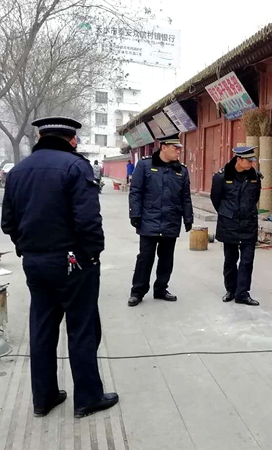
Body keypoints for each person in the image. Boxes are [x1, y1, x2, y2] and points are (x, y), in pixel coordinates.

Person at [1, 117, 118, 418]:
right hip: (73, 262)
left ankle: (44, 398)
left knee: (41, 328)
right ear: (72, 140)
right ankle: (87, 398)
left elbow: (8, 223)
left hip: (35, 262)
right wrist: (92, 254)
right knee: (82, 328)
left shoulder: (18, 171)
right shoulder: (76, 167)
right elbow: (88, 221)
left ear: (40, 137)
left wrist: (27, 247)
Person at [128, 134, 193, 307]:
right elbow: (135, 191)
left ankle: (161, 289)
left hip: (171, 220)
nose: (178, 151)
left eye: (179, 148)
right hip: (149, 219)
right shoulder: (144, 165)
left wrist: (188, 218)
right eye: (175, 148)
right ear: (163, 147)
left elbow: (185, 197)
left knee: (166, 258)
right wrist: (135, 214)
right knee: (145, 257)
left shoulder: (181, 170)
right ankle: (137, 291)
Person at [211, 146, 262, 306]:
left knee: (247, 260)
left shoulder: (255, 177)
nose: (252, 163)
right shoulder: (221, 177)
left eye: (253, 161)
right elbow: (216, 199)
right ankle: (231, 290)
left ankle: (242, 294)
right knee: (230, 260)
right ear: (238, 160)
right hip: (229, 224)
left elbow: (255, 197)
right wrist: (228, 212)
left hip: (248, 223)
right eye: (249, 161)